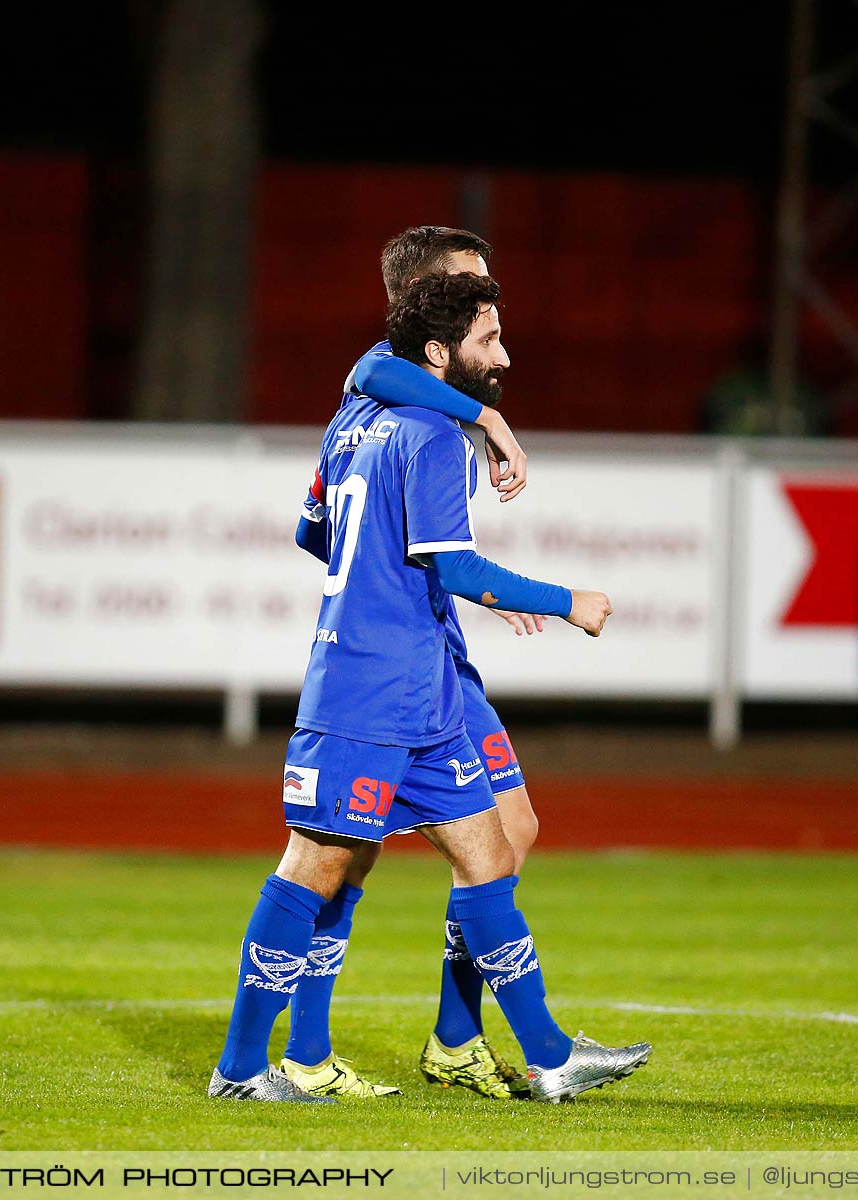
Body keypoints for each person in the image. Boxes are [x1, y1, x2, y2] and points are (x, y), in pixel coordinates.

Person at [208, 272, 650, 1104]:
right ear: (440, 351)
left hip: (421, 692)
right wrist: (567, 603)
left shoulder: (356, 422)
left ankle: (548, 1056)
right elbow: (454, 565)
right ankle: (239, 1070)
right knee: (314, 868)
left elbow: (315, 534)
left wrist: (384, 576)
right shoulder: (436, 436)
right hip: (370, 694)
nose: (504, 357)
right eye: (488, 341)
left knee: (490, 859)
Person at [277, 227, 550, 1100]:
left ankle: (451, 1038)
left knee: (509, 839)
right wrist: (486, 417)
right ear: (425, 307)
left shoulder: (414, 399)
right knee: (341, 859)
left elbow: (315, 530)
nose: (490, 297)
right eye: (471, 287)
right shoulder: (390, 390)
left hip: (437, 657)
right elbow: (370, 377)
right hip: (398, 668)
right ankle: (303, 1054)